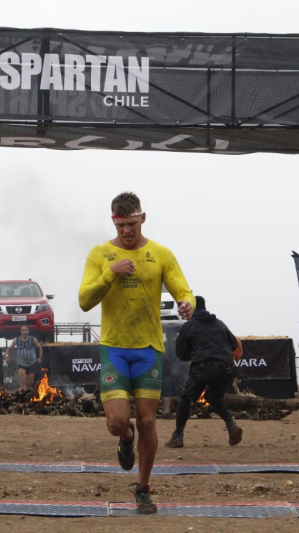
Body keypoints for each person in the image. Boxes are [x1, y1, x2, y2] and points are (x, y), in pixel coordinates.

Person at [79, 191, 194, 515]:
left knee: (147, 420)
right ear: (113, 221)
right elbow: (85, 300)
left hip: (148, 349)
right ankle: (125, 439)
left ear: (142, 218)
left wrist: (188, 304)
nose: (127, 231)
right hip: (115, 348)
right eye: (121, 225)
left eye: (131, 223)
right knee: (117, 421)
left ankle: (143, 488)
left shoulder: (161, 254)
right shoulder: (100, 254)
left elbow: (183, 291)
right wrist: (110, 274)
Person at [166, 296, 243, 449]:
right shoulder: (220, 324)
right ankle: (232, 425)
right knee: (212, 396)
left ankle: (178, 435)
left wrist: (194, 355)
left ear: (192, 308)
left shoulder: (189, 326)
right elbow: (234, 344)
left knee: (186, 398)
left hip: (203, 367)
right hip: (225, 368)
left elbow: (181, 353)